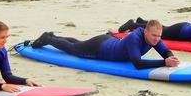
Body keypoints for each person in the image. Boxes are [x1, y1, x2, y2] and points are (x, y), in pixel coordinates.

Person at [31, 20, 180, 69]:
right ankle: (48, 39)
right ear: (146, 32)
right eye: (154, 35)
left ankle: (54, 36)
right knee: (74, 49)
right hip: (100, 49)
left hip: (107, 41)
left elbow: (165, 51)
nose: (156, 39)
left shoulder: (155, 38)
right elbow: (137, 63)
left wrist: (171, 57)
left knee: (79, 43)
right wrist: (164, 63)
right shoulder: (135, 38)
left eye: (159, 36)